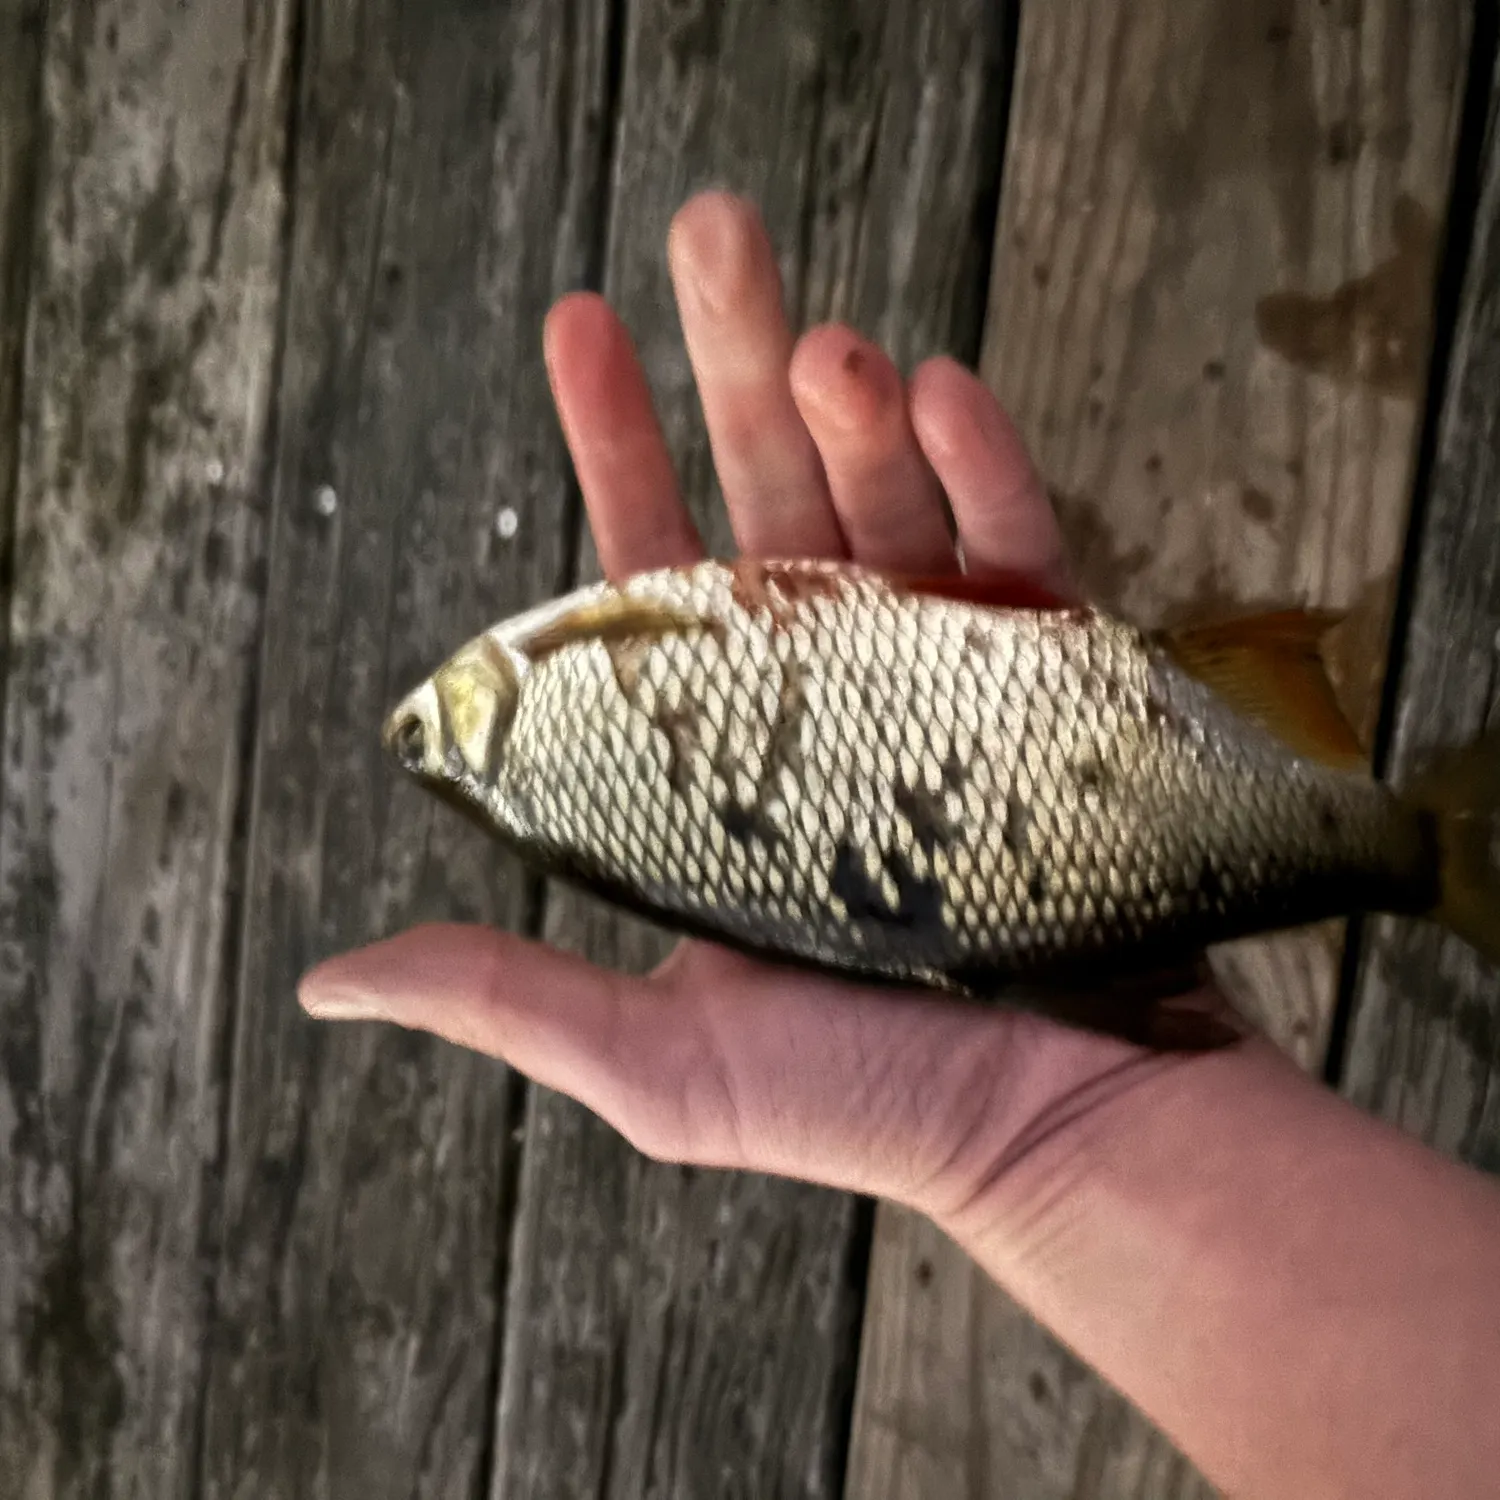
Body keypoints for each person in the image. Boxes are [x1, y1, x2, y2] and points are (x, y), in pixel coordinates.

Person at [298, 191, 1500, 1500]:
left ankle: (1417, 850)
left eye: (431, 740)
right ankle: (1422, 851)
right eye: (436, 739)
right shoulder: (543, 713)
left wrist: (1066, 1138)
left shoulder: (558, 759)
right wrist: (1049, 1128)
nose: (424, 725)